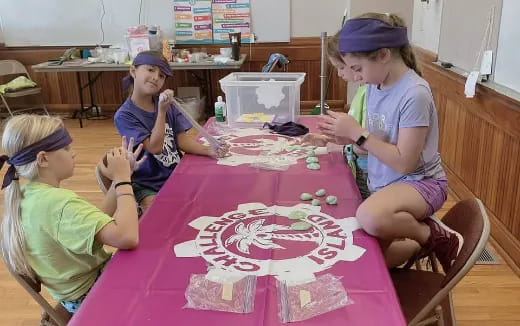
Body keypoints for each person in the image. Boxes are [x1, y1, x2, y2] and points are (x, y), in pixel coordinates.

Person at [317, 13, 463, 272]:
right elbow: (376, 146)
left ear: (384, 55)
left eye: (357, 68)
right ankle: (421, 246)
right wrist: (348, 139)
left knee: (369, 216)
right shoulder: (376, 85)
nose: (353, 76)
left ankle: (434, 235)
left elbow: (404, 162)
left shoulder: (414, 93)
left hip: (421, 183)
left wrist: (359, 134)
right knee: (364, 265)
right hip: (384, 186)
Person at [0, 114, 140, 313]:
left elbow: (91, 225)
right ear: (43, 159)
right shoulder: (58, 204)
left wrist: (120, 180)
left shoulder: (28, 195)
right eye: (66, 148)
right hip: (96, 294)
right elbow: (127, 237)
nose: (73, 153)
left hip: (74, 297)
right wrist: (124, 179)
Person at [114, 51, 229, 211]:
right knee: (158, 212)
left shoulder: (166, 105)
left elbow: (181, 140)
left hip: (175, 173)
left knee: (212, 194)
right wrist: (161, 112)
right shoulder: (125, 115)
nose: (156, 77)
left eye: (161, 76)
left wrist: (208, 150)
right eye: (151, 70)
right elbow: (154, 148)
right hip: (147, 182)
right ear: (133, 71)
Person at [303, 31, 370, 200]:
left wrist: (340, 148)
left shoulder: (370, 95)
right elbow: (358, 136)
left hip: (367, 172)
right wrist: (328, 140)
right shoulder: (363, 90)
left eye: (341, 67)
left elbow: (369, 144)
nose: (339, 74)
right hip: (359, 167)